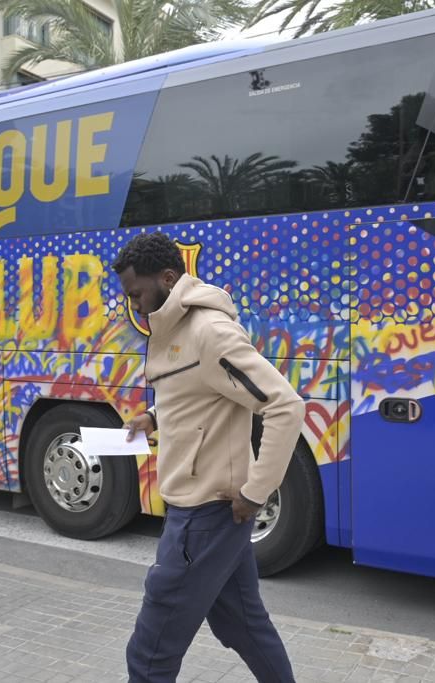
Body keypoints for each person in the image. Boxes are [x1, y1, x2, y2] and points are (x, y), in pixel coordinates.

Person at [116, 232, 304, 683]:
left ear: (167, 278)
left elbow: (285, 406)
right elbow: (202, 393)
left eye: (137, 294)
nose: (135, 306)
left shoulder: (209, 332)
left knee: (149, 653)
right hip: (207, 512)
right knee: (243, 625)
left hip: (203, 515)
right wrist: (155, 417)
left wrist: (257, 492)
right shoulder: (175, 328)